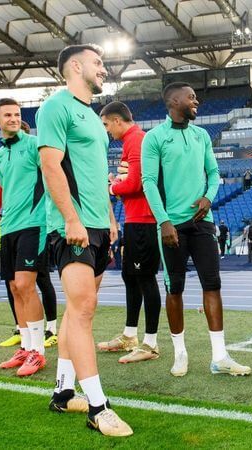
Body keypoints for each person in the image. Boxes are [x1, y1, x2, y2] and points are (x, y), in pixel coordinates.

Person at [37, 44, 131, 436]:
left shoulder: (94, 119)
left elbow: (94, 175)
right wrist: (71, 218)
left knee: (76, 312)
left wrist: (109, 217)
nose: (103, 69)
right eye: (98, 62)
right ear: (75, 66)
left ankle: (62, 393)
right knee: (83, 310)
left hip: (97, 224)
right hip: (70, 225)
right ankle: (97, 406)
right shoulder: (55, 107)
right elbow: (50, 163)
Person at [141, 81, 250, 377]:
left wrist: (208, 197)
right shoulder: (154, 138)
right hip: (171, 225)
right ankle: (180, 353)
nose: (196, 101)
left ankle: (220, 356)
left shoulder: (202, 135)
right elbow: (148, 182)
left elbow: (213, 174)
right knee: (174, 288)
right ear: (174, 101)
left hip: (203, 221)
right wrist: (163, 221)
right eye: (191, 97)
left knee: (212, 285)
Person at [0, 98, 52, 377]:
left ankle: (38, 352)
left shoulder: (35, 145)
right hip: (9, 227)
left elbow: (52, 178)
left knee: (26, 285)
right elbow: (1, 191)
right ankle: (26, 347)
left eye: (17, 114)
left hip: (34, 223)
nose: (13, 118)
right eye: (8, 115)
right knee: (14, 288)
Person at [97, 101, 162, 364]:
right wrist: (119, 182)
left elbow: (135, 183)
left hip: (145, 219)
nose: (106, 131)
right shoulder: (132, 141)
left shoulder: (136, 140)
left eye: (106, 124)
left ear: (116, 120)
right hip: (136, 218)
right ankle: (130, 335)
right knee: (130, 276)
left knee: (145, 278)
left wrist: (112, 188)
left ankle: (151, 343)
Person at [0, 163, 58, 349]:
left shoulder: (34, 151)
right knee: (13, 283)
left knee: (41, 279)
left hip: (35, 226)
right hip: (11, 227)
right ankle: (21, 329)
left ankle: (51, 329)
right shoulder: (2, 158)